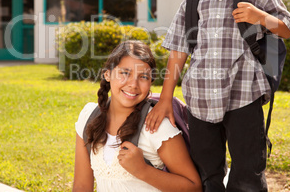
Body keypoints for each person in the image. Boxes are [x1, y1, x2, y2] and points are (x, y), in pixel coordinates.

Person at [145, 0, 290, 192]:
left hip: (244, 97)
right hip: (200, 100)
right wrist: (166, 98)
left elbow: (287, 27)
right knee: (206, 174)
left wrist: (260, 17)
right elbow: (179, 48)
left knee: (248, 176)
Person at [72, 40, 202, 192]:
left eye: (143, 77)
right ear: (107, 74)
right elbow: (81, 186)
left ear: (151, 82)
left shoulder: (156, 126)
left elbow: (194, 187)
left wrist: (143, 170)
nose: (133, 84)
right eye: (125, 73)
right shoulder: (89, 117)